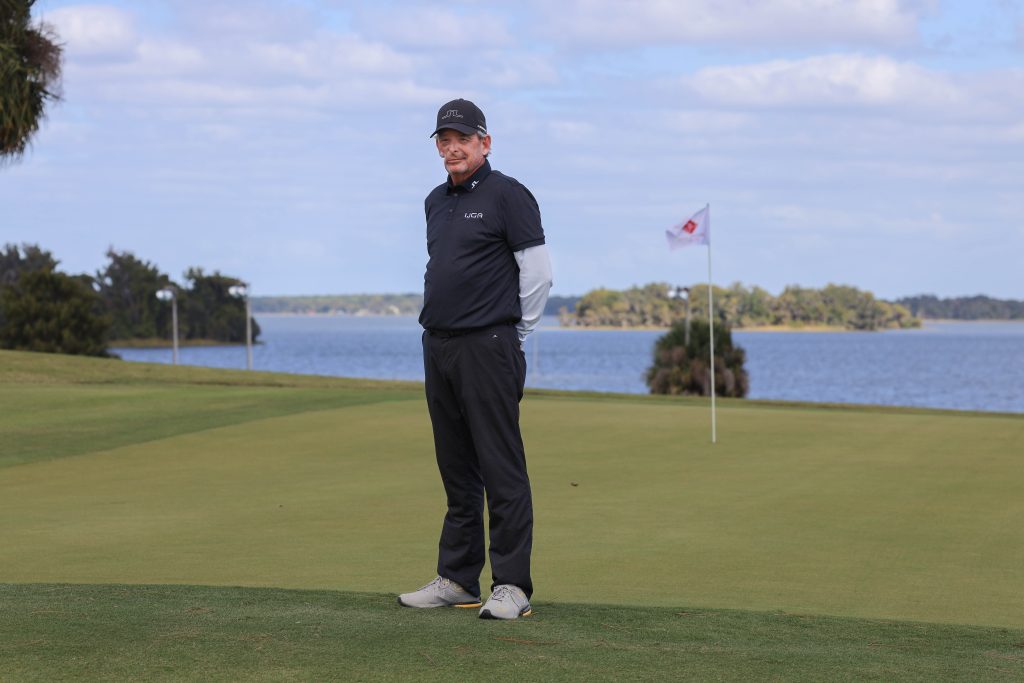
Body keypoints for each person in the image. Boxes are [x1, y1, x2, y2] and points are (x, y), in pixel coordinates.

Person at [398, 98, 553, 620]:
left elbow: (538, 272)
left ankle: (511, 585)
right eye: (444, 140)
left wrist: (518, 333)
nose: (452, 147)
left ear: (484, 143)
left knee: (500, 465)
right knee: (456, 467)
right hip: (438, 345)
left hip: (489, 344)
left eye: (462, 138)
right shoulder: (435, 201)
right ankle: (458, 578)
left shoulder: (509, 194)